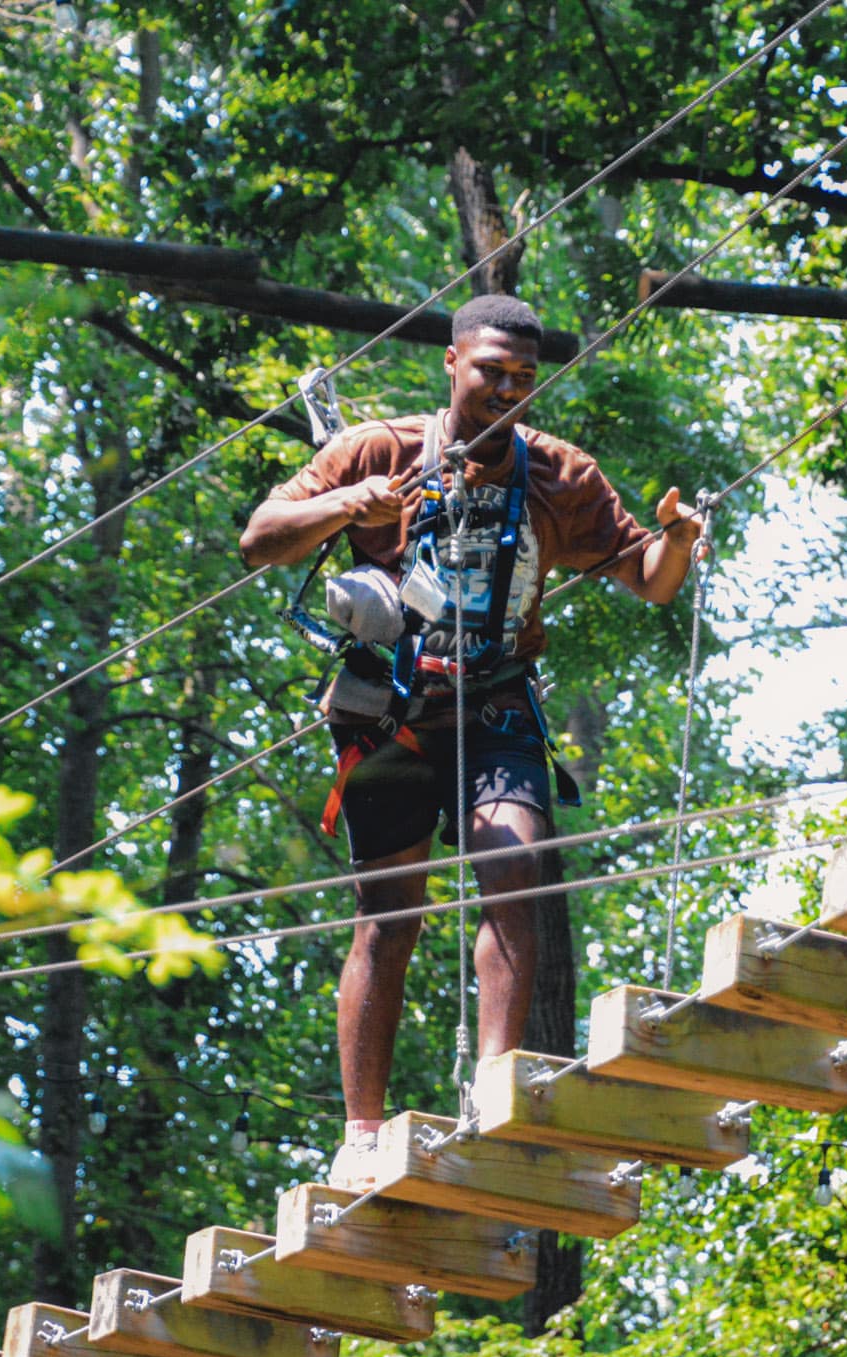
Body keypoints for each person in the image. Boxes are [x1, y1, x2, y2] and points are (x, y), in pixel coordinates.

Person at [238, 293, 703, 1182]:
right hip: (392, 713)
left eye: (526, 379)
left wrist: (677, 540)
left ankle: (495, 1085)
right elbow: (260, 540)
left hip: (497, 706)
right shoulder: (376, 450)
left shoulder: (560, 475)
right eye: (493, 372)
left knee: (515, 870)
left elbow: (650, 579)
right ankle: (362, 1135)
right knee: (390, 915)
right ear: (452, 363)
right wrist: (348, 504)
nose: (509, 390)